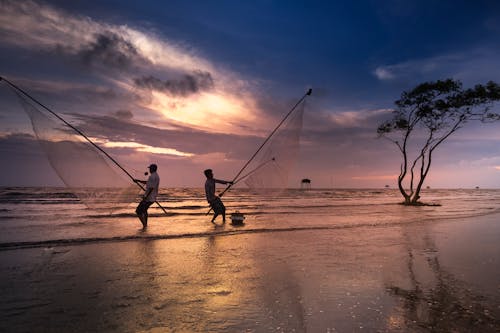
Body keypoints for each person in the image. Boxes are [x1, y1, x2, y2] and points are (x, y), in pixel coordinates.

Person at [134, 164, 160, 229]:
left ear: (152, 169)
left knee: (138, 211)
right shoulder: (156, 176)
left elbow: (151, 188)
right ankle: (145, 225)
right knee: (145, 210)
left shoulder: (152, 177)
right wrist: (138, 181)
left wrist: (146, 197)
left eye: (150, 168)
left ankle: (144, 225)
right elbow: (147, 183)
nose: (149, 170)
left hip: (149, 198)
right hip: (152, 198)